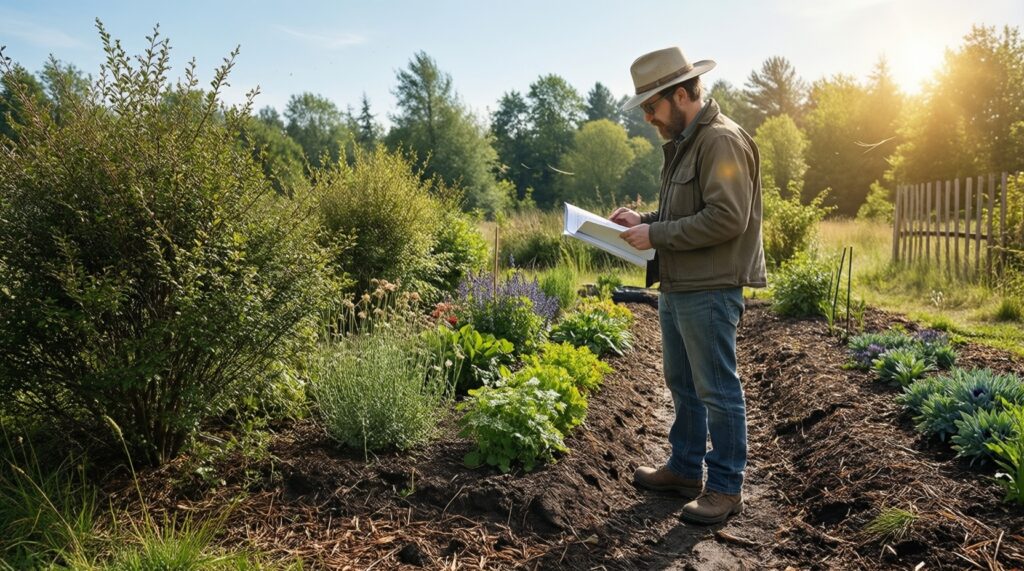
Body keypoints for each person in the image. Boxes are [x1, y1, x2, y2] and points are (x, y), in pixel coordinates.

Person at [610, 46, 766, 525]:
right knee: (682, 383)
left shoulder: (720, 141)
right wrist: (646, 220)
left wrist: (655, 235)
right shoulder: (686, 144)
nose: (649, 118)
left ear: (681, 95)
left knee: (717, 388)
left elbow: (726, 218)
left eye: (652, 107)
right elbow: (686, 213)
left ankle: (724, 487)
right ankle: (683, 469)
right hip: (679, 285)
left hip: (711, 287)